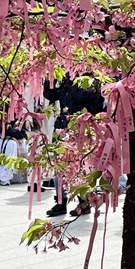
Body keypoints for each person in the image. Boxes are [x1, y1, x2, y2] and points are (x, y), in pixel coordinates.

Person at [42, 74, 103, 217]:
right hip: (62, 126)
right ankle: (60, 201)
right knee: (59, 164)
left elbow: (84, 97)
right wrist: (50, 77)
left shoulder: (93, 80)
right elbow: (51, 95)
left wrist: (73, 80)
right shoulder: (67, 78)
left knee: (79, 165)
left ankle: (84, 201)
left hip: (81, 129)